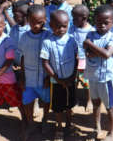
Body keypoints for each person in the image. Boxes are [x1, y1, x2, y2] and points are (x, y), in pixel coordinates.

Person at [83, 5, 113, 141]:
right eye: (99, 22)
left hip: (106, 80)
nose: (102, 25)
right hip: (93, 78)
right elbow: (87, 53)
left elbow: (106, 54)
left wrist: (90, 45)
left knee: (110, 107)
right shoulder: (90, 34)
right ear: (94, 21)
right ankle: (97, 127)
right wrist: (100, 51)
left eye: (106, 22)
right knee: (96, 104)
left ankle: (110, 133)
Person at [41, 10, 78, 140]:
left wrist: (73, 76)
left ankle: (69, 123)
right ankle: (59, 126)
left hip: (71, 80)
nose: (61, 29)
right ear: (51, 25)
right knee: (57, 107)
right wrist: (56, 78)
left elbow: (76, 59)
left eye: (64, 26)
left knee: (70, 104)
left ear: (68, 24)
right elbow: (45, 63)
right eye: (58, 26)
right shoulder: (47, 42)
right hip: (56, 82)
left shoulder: (72, 40)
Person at [18, 4, 51, 137]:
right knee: (27, 101)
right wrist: (22, 76)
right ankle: (30, 123)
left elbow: (52, 60)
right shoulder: (24, 37)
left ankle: (45, 120)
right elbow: (22, 58)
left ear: (45, 20)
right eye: (33, 22)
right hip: (29, 77)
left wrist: (49, 77)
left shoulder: (49, 35)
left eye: (40, 22)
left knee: (47, 101)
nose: (37, 25)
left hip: (44, 78)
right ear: (28, 20)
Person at [69, 4, 94, 112]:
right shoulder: (72, 28)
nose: (72, 20)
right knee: (74, 82)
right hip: (74, 61)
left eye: (75, 18)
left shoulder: (91, 31)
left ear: (84, 18)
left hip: (86, 61)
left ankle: (89, 101)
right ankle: (75, 99)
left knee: (87, 83)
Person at [9, 0, 30, 68]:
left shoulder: (30, 30)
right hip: (15, 65)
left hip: (27, 68)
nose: (13, 16)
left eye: (15, 14)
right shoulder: (14, 29)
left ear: (24, 14)